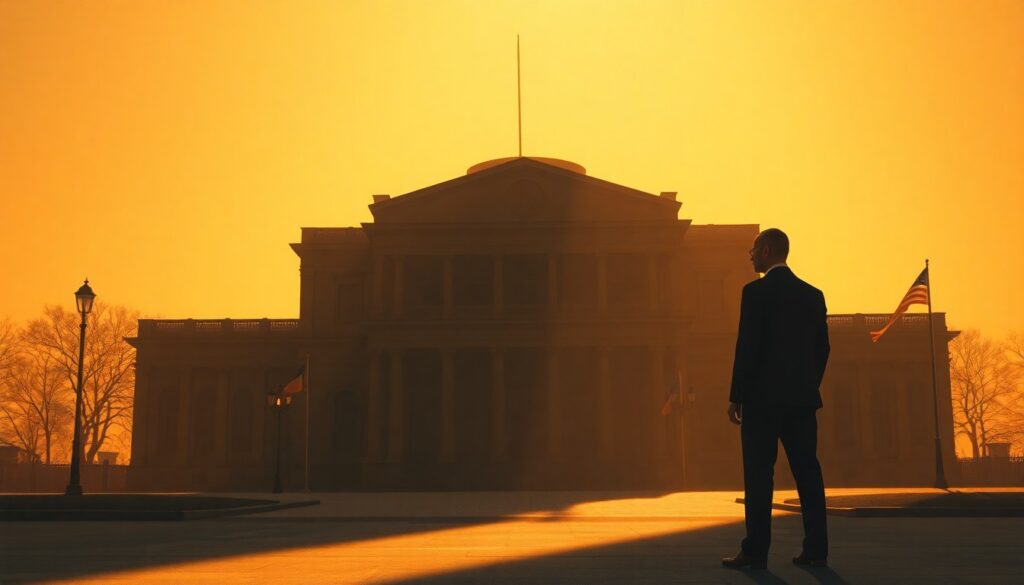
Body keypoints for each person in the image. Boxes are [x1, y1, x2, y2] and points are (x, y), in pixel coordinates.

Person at [721, 228, 830, 570]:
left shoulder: (755, 293)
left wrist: (737, 396)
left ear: (766, 251)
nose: (751, 256)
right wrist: (808, 384)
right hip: (800, 400)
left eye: (753, 250)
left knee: (758, 476)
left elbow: (748, 347)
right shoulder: (813, 295)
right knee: (808, 473)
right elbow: (822, 349)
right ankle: (816, 550)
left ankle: (755, 551)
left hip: (762, 401)